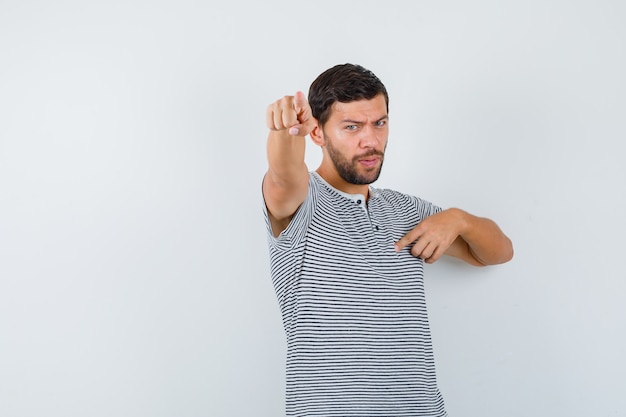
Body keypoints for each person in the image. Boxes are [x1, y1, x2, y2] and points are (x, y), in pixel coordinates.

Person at [262, 63, 513, 417]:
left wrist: (459, 220)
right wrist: (286, 132)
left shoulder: (405, 210)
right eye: (352, 127)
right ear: (316, 133)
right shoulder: (303, 202)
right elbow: (284, 174)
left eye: (379, 123)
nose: (371, 141)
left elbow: (498, 253)